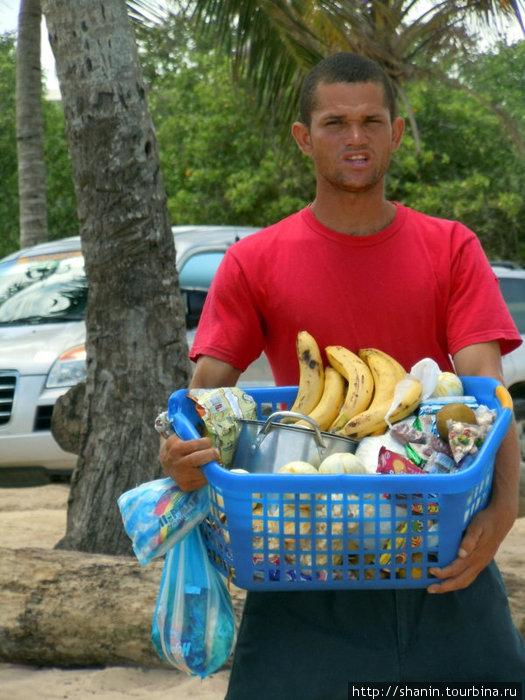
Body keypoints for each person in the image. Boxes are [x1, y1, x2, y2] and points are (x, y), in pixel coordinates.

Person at [160, 53, 525, 696]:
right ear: (304, 137)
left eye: (371, 121)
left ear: (397, 133)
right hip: (299, 560)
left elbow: (486, 396)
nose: (355, 138)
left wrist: (502, 511)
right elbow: (202, 400)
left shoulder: (451, 248)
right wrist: (182, 452)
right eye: (335, 122)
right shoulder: (255, 262)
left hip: (438, 555)